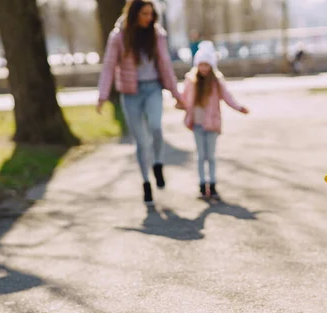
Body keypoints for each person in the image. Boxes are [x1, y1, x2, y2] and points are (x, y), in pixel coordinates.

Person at [97, 0, 184, 206]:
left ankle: (158, 164)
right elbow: (109, 65)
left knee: (155, 127)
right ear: (134, 14)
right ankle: (146, 182)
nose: (149, 18)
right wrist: (102, 95)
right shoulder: (118, 36)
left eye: (151, 14)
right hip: (130, 93)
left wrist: (175, 93)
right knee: (140, 141)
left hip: (153, 88)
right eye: (144, 14)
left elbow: (165, 64)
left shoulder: (157, 34)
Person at [178, 41, 249, 200]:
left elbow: (227, 96)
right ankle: (202, 184)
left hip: (212, 124)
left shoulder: (216, 82)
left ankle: (213, 184)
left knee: (211, 156)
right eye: (201, 65)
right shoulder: (191, 81)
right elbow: (184, 98)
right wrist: (178, 102)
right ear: (197, 65)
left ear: (211, 66)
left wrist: (239, 107)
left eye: (206, 65)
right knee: (200, 155)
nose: (204, 68)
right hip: (196, 123)